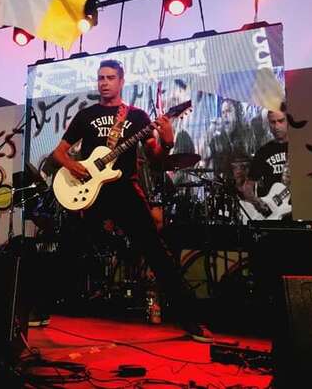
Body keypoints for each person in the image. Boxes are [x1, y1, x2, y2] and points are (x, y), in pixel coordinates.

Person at [51, 59, 213, 342]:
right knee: (68, 248)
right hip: (90, 191)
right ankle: (37, 309)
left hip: (125, 190)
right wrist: (73, 165)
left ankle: (190, 319)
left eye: (110, 78)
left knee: (156, 252)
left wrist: (167, 141)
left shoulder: (137, 117)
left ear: (121, 81)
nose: (104, 82)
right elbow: (59, 153)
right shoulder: (86, 116)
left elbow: (156, 160)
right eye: (101, 78)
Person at [240, 108, 290, 221]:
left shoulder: (299, 148)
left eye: (281, 121)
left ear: (288, 121)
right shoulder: (263, 152)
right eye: (273, 122)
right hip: (272, 214)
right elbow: (247, 186)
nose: (276, 126)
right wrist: (256, 202)